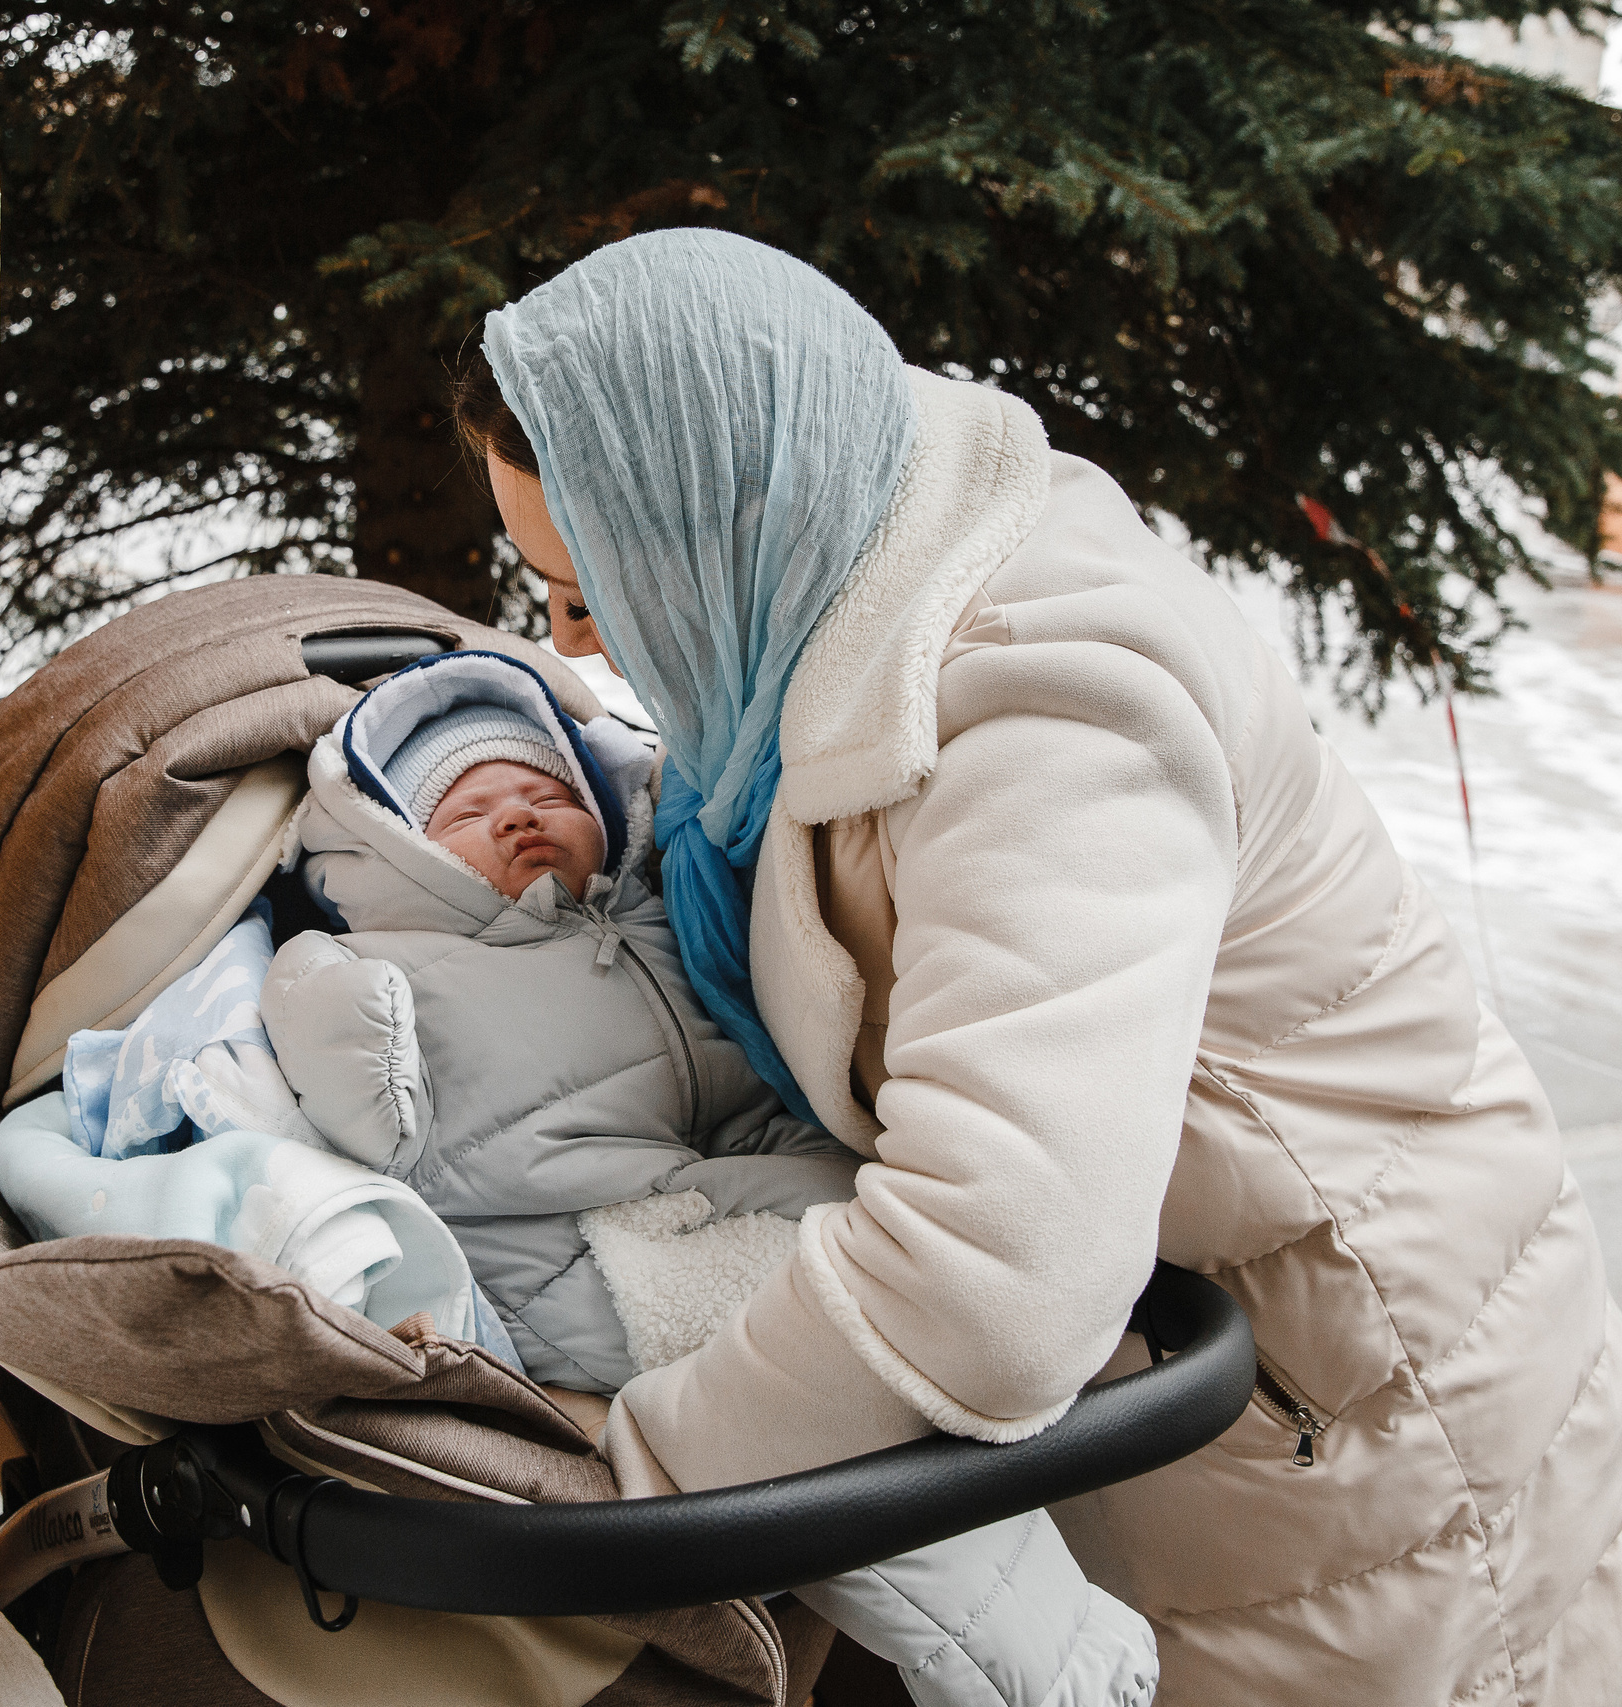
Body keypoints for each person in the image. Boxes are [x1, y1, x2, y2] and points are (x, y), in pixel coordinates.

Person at [454, 226, 1622, 1702]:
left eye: (591, 591)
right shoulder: (820, 557)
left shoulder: (1055, 720)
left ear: (720, 523)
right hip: (1182, 1375)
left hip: (1342, 1410)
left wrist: (630, 1483)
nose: (585, 647)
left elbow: (996, 1275)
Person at [264, 646, 1159, 1707]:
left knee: (898, 1274)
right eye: (467, 814)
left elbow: (751, 1094)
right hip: (578, 1258)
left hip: (709, 1197)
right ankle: (1058, 1680)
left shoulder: (657, 918)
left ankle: (1037, 1431)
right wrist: (337, 1009)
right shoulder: (396, 962)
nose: (517, 817)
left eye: (544, 791)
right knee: (827, 1393)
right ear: (401, 853)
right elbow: (333, 1066)